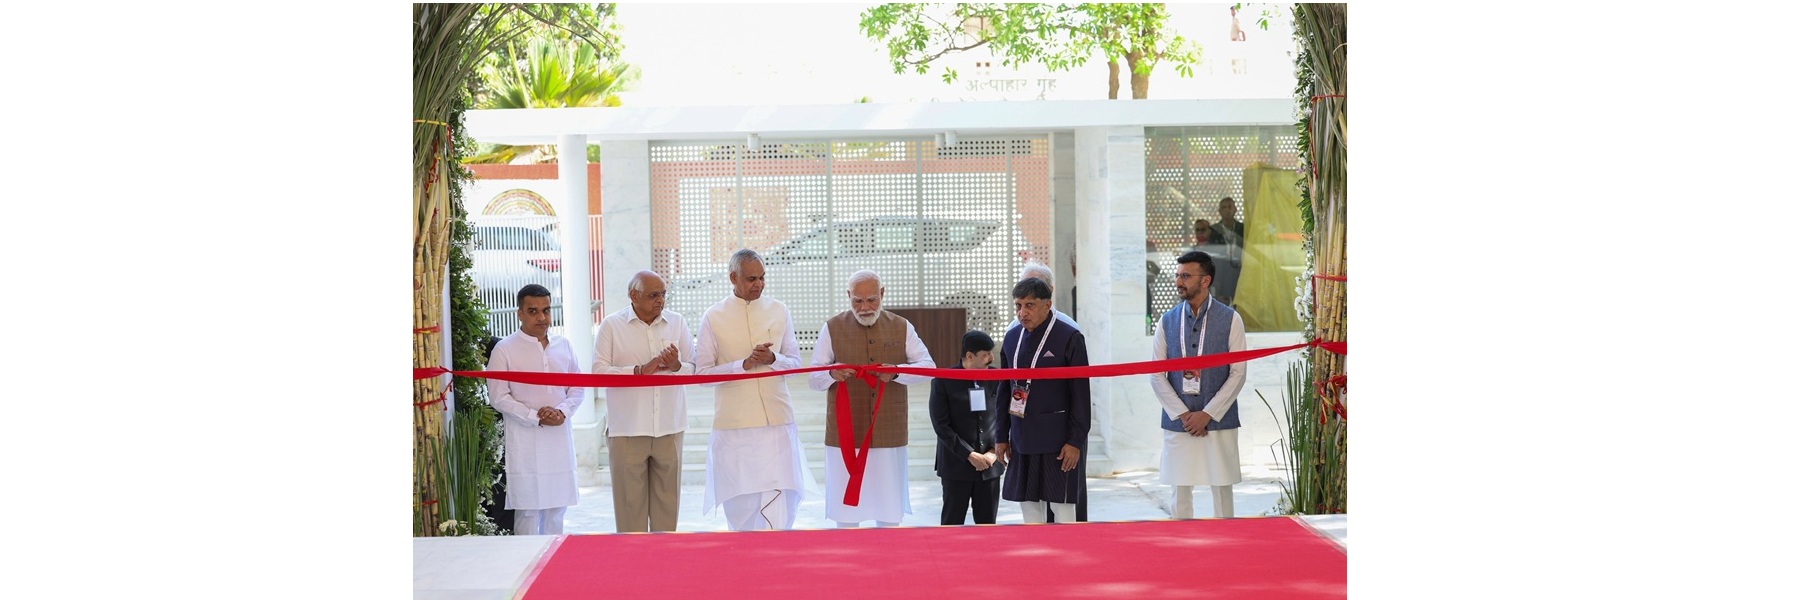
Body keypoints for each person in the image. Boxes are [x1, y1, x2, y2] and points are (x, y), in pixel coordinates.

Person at [806, 270, 935, 528]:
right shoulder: (832, 327)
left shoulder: (901, 326)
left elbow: (927, 368)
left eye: (871, 300)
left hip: (889, 430)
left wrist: (896, 372)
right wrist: (832, 373)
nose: (864, 307)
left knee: (888, 512)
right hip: (846, 432)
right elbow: (813, 378)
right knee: (846, 513)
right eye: (857, 301)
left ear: (882, 294)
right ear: (848, 297)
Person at [694, 249, 811, 531]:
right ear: (733, 278)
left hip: (777, 424)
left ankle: (778, 564)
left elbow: (795, 363)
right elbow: (702, 374)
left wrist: (773, 360)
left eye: (762, 278)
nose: (758, 284)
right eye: (751, 279)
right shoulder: (713, 316)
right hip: (735, 428)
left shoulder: (779, 310)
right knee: (742, 505)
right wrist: (741, 365)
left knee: (782, 500)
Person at [592, 270, 694, 533]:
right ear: (633, 295)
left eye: (663, 294)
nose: (660, 300)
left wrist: (676, 365)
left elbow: (694, 369)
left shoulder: (678, 322)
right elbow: (598, 371)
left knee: (667, 512)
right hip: (627, 429)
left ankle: (664, 568)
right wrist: (637, 371)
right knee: (629, 515)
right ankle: (632, 568)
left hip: (669, 427)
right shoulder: (611, 326)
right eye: (653, 295)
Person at [1150, 251, 1247, 519]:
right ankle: (1182, 551)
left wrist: (1207, 414)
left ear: (1205, 281)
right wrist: (1184, 415)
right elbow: (1156, 374)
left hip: (1219, 420)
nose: (1179, 281)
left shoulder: (1230, 319)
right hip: (1178, 422)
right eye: (1178, 275)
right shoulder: (1167, 320)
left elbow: (1238, 373)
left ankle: (1227, 547)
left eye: (1186, 276)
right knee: (1179, 493)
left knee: (1222, 493)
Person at [485, 284, 584, 535]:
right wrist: (534, 417)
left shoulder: (564, 345)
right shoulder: (505, 349)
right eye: (533, 311)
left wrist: (562, 412)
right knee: (528, 510)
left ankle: (554, 568)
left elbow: (577, 387)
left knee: (557, 509)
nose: (542, 317)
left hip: (558, 438)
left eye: (546, 310)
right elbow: (498, 396)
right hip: (525, 439)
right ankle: (525, 568)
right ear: (519, 313)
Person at [993, 278, 1091, 524]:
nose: (1022, 313)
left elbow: (1081, 394)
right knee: (1029, 509)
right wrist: (1001, 437)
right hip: (1021, 438)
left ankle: (1068, 559)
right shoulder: (1012, 336)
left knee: (1062, 508)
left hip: (1058, 442)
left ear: (1047, 305)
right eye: (1017, 306)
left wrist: (1075, 440)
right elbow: (1004, 389)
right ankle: (1037, 560)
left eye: (1029, 305)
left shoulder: (1069, 336)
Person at [928, 330, 1004, 525]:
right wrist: (969, 455)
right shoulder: (944, 380)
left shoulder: (1000, 378)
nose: (991, 358)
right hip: (956, 466)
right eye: (985, 354)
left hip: (989, 465)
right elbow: (941, 426)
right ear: (970, 356)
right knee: (952, 524)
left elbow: (1007, 417)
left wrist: (994, 451)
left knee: (988, 526)